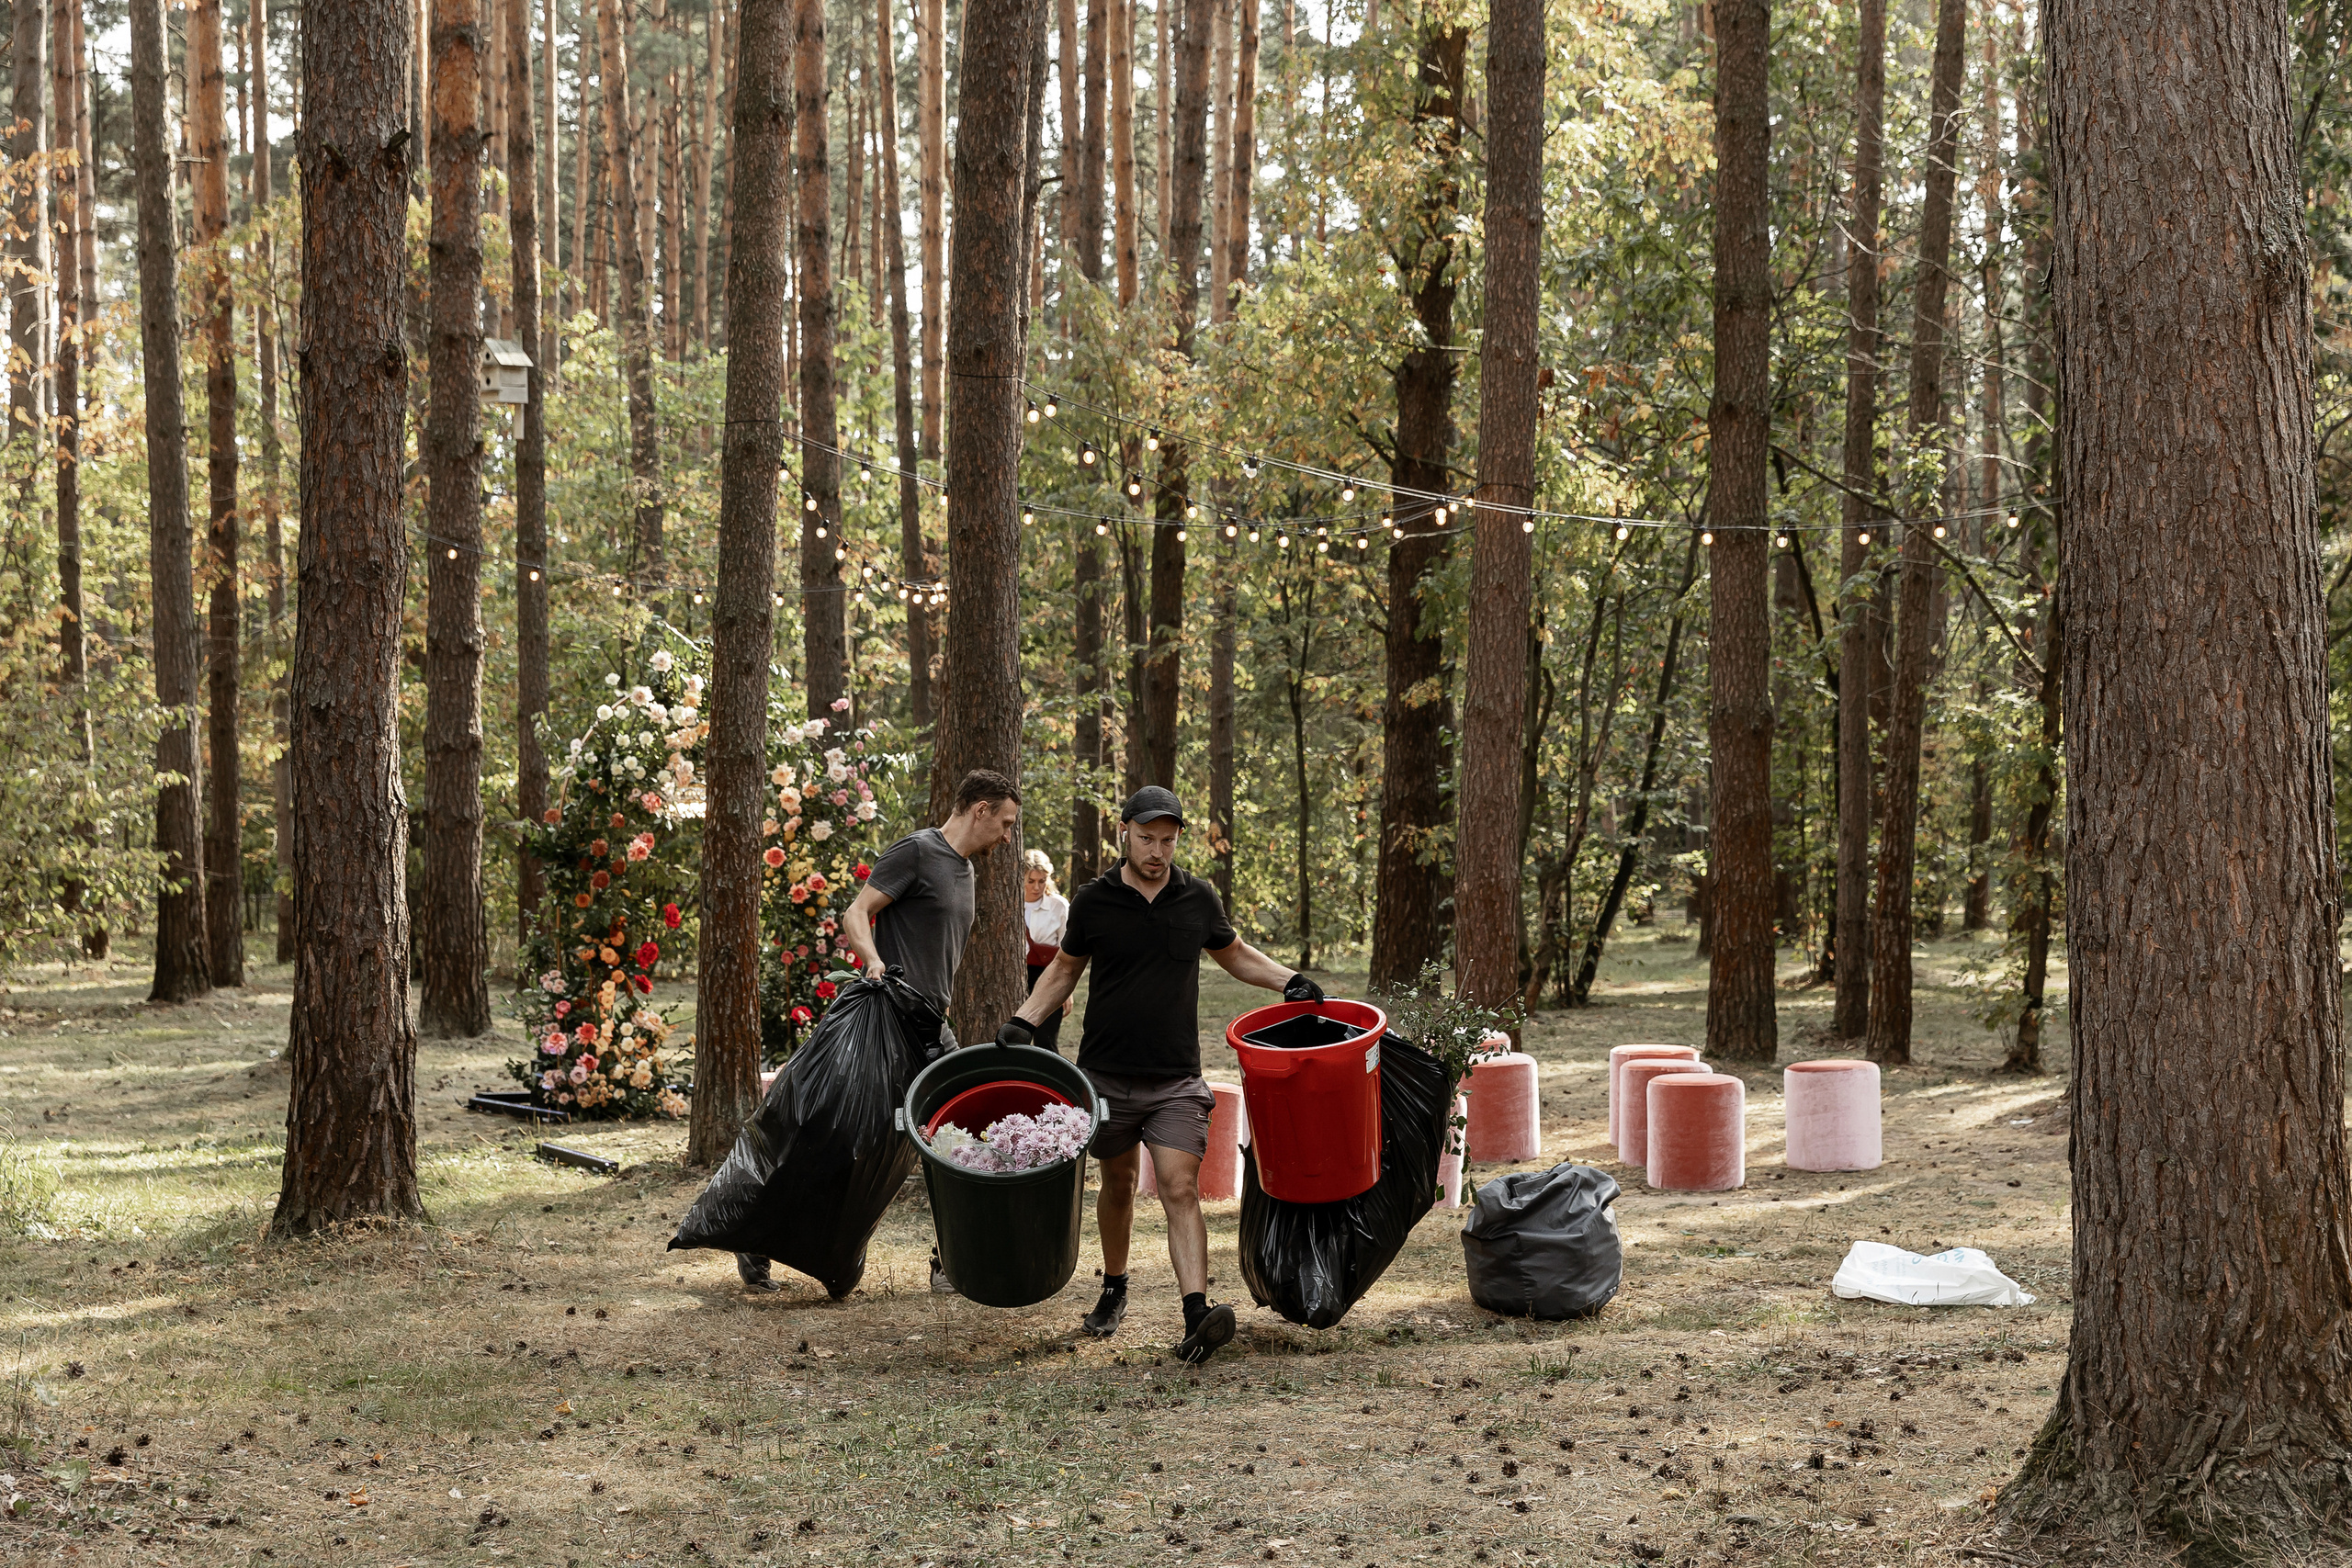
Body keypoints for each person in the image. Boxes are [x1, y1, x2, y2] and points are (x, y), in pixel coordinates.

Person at [1003, 785, 1323, 1364]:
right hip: (1105, 1073)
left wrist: (1290, 981)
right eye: (1147, 838)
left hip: (1176, 1075)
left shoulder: (1196, 897)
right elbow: (1064, 971)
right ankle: (1114, 1286)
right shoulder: (1094, 900)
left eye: (1168, 840)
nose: (1157, 850)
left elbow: (1237, 954)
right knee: (1119, 1183)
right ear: (1124, 832)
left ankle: (1197, 1313)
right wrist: (1025, 1021)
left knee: (1178, 1185)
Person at [733, 767, 1022, 1293]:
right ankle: (758, 1231)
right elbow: (857, 912)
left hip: (930, 1024)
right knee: (838, 1134)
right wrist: (870, 959)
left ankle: (946, 1259)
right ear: (979, 809)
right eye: (1003, 823)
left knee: (954, 1128)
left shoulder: (965, 869)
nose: (1006, 837)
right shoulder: (916, 852)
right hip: (887, 1015)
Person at [1021, 849, 1071, 1054]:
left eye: (1042, 881)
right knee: (1017, 1040)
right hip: (1017, 976)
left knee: (1046, 1043)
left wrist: (1066, 991)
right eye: (1031, 881)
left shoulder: (1058, 906)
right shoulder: (1010, 902)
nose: (1037, 887)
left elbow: (1067, 949)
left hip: (1048, 975)